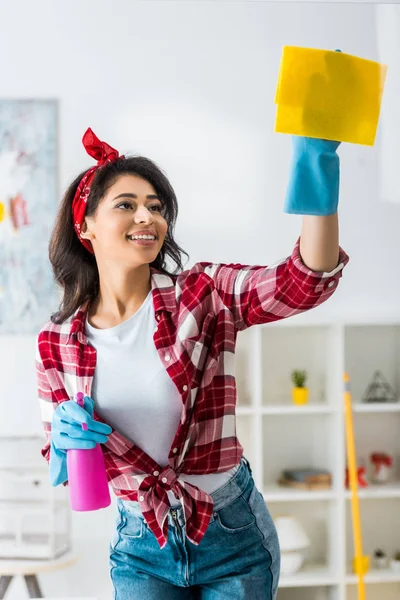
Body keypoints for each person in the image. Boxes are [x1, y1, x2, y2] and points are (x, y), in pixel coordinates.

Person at [36, 127, 349, 600]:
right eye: (126, 204)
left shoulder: (202, 295)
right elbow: (58, 464)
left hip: (232, 534)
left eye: (156, 206)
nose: (147, 216)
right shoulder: (56, 343)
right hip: (141, 545)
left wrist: (317, 171)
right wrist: (61, 442)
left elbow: (302, 283)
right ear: (86, 227)